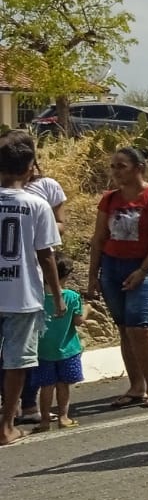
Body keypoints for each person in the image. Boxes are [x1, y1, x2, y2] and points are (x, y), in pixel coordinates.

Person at [86, 145, 148, 409]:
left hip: (147, 266)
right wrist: (93, 275)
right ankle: (136, 386)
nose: (115, 172)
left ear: (138, 168)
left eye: (121, 166)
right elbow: (99, 238)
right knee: (125, 329)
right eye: (113, 166)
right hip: (113, 267)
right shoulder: (110, 199)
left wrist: (143, 270)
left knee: (141, 328)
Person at [0, 134, 65, 446]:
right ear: (29, 168)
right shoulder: (38, 204)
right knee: (17, 363)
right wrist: (56, 295)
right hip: (22, 295)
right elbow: (46, 255)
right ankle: (6, 426)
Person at [19, 148, 67, 424]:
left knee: (29, 345)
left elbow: (61, 224)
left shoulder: (47, 187)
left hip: (34, 274)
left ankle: (27, 403)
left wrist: (39, 226)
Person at [28, 258, 85, 433]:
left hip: (43, 350)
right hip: (68, 350)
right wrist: (87, 310)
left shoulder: (36, 298)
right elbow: (78, 321)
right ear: (66, 275)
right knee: (63, 385)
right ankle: (63, 417)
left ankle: (45, 420)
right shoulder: (72, 297)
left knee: (46, 386)